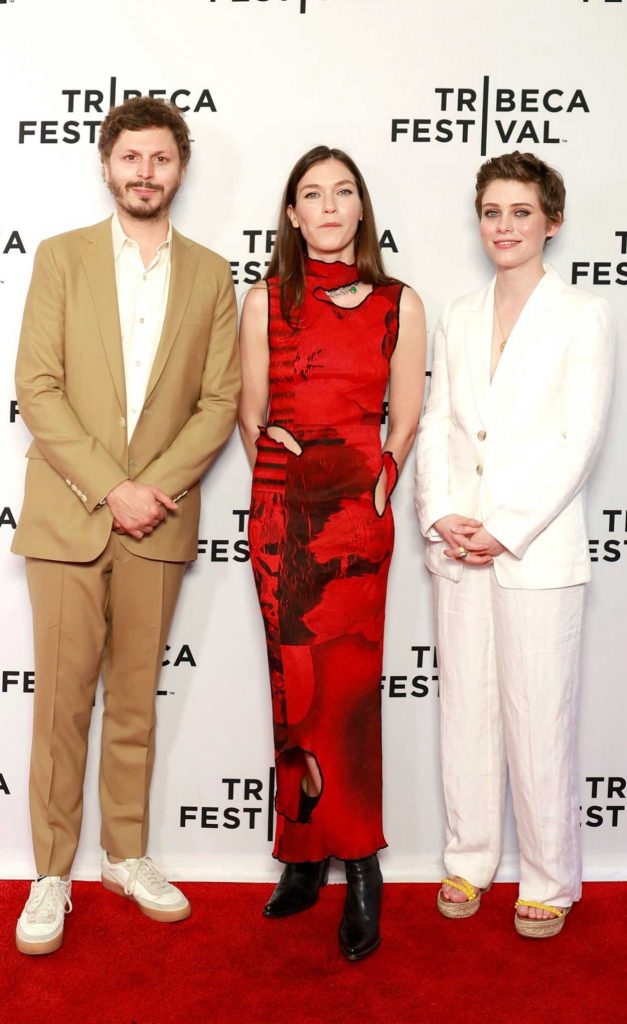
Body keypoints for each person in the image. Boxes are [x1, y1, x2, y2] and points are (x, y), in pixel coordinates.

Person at [13, 96, 240, 955]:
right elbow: (38, 386)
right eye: (130, 157)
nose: (145, 172)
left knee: (136, 701)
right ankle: (49, 874)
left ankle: (128, 853)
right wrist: (114, 488)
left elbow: (220, 402)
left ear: (180, 168)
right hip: (70, 515)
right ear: (107, 164)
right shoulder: (61, 258)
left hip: (160, 521)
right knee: (62, 707)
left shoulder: (213, 274)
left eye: (160, 159)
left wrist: (151, 490)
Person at [415, 151, 614, 938]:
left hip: (534, 549)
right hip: (460, 548)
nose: (504, 225)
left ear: (551, 222)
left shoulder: (582, 315)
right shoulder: (458, 313)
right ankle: (466, 860)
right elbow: (436, 424)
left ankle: (548, 876)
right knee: (464, 710)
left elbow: (580, 438)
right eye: (492, 211)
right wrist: (441, 514)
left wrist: (505, 525)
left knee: (538, 717)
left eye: (520, 212)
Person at [239, 145, 426, 961]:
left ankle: (359, 866)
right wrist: (284, 496)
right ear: (291, 214)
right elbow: (251, 416)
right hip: (283, 515)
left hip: (356, 519)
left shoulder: (398, 302)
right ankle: (302, 854)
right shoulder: (263, 302)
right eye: (310, 194)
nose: (326, 206)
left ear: (360, 208)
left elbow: (406, 418)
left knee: (345, 699)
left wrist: (375, 490)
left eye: (341, 192)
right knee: (291, 688)